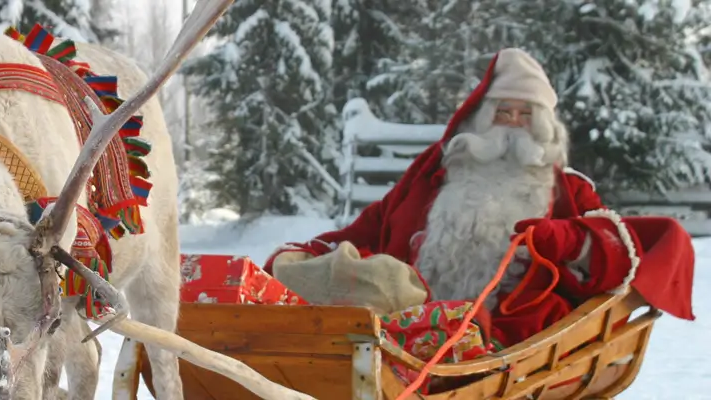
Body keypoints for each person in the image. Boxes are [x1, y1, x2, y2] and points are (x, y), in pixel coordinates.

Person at [265, 48, 695, 348]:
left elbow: (613, 251)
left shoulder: (567, 188)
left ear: (544, 124)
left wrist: (562, 238)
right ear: (479, 118)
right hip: (406, 323)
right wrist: (309, 254)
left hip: (507, 331)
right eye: (501, 111)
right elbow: (373, 226)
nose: (512, 123)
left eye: (525, 114)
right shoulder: (433, 176)